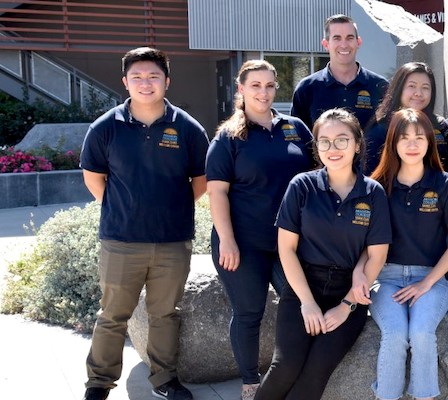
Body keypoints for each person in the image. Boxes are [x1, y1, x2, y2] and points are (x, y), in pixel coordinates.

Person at [80, 47, 208, 400]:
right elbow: (94, 178)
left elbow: (200, 181)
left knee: (165, 314)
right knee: (112, 315)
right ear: (125, 82)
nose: (145, 83)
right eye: (136, 76)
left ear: (167, 80)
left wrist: (168, 209)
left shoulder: (189, 128)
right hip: (121, 241)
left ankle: (164, 380)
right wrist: (126, 208)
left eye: (153, 76)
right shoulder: (105, 127)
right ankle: (99, 383)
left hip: (172, 241)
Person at [255, 108, 390, 400]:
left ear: (357, 144)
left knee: (314, 375)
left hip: (349, 293)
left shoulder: (373, 192)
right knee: (285, 366)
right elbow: (286, 249)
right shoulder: (302, 186)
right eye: (324, 141)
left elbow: (377, 255)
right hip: (304, 286)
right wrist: (307, 303)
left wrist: (345, 306)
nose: (333, 148)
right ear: (316, 147)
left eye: (342, 140)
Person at [205, 60, 313, 400]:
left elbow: (318, 173)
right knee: (249, 312)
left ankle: (293, 373)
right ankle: (251, 384)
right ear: (241, 89)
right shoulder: (228, 137)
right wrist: (227, 240)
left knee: (297, 301)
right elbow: (217, 192)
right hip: (242, 242)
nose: (263, 92)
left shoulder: (295, 127)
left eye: (269, 85)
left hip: (289, 242)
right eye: (255, 85)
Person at [368, 108, 448, 400]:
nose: (412, 145)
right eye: (404, 138)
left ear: (429, 142)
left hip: (431, 278)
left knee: (422, 334)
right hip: (385, 278)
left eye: (419, 137)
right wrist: (361, 279)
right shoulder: (378, 186)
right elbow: (367, 244)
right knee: (396, 333)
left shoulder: (446, 184)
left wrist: (427, 283)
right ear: (393, 143)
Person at [290, 14, 388, 129]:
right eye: (337, 38)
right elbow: (298, 139)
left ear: (359, 42)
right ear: (326, 44)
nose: (344, 45)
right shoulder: (307, 88)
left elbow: (391, 135)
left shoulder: (380, 86)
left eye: (349, 38)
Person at [366, 62, 448, 174]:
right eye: (412, 86)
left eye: (425, 88)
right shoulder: (381, 129)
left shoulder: (441, 126)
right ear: (399, 89)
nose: (418, 93)